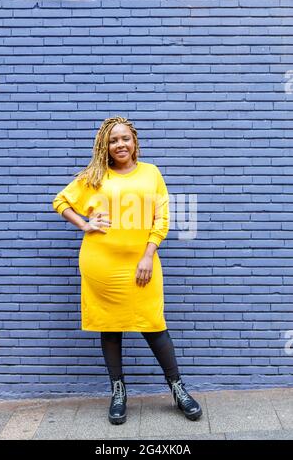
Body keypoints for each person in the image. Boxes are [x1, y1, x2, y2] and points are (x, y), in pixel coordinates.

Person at [52, 116, 202, 425]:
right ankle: (118, 392)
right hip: (101, 265)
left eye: (125, 139)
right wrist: (84, 224)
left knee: (153, 324)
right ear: (104, 146)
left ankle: (178, 389)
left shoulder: (151, 173)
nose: (120, 144)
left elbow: (161, 219)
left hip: (141, 264)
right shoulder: (95, 176)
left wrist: (148, 255)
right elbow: (61, 201)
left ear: (134, 141)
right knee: (110, 326)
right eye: (113, 140)